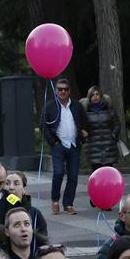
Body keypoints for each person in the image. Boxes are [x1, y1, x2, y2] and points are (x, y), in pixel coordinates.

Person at [41, 78, 88, 216]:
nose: (62, 91)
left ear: (69, 91)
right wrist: (53, 142)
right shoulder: (49, 106)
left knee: (73, 176)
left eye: (65, 89)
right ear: (55, 91)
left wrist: (84, 133)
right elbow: (44, 126)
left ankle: (68, 204)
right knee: (58, 172)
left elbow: (84, 121)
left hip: (74, 145)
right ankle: (55, 200)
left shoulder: (76, 106)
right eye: (60, 89)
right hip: (59, 145)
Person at [81, 86, 119, 172]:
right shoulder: (86, 112)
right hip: (93, 148)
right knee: (96, 174)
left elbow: (117, 124)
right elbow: (82, 128)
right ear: (89, 97)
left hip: (108, 147)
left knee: (109, 173)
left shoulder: (109, 110)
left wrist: (113, 135)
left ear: (101, 96)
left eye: (97, 94)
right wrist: (84, 136)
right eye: (92, 95)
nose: (95, 96)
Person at [3, 170, 48, 238]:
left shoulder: (35, 213)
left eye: (16, 183)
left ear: (24, 189)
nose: (11, 187)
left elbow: (43, 239)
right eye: (7, 183)